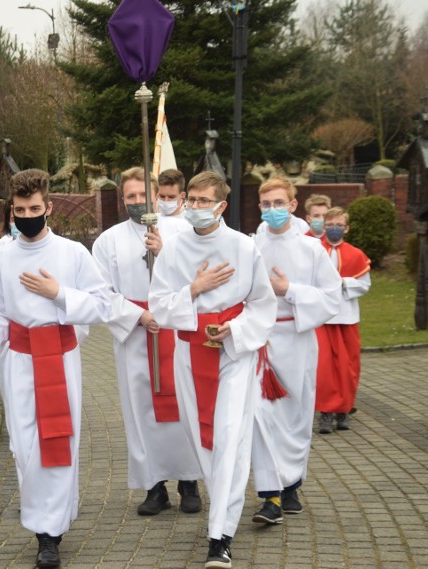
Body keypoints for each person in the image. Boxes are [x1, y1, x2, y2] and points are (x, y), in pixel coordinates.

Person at [0, 169, 110, 569]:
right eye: (19, 210)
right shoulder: (0, 258)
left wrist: (59, 294)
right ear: (11, 213)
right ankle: (42, 522)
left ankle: (50, 536)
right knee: (26, 446)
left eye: (34, 208)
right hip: (19, 361)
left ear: (49, 207)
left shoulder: (72, 254)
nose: (27, 215)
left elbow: (101, 304)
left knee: (59, 443)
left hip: (60, 359)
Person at [148, 171, 277, 569]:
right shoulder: (172, 250)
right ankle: (222, 508)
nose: (197, 208)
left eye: (206, 202)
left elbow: (262, 303)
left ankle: (219, 537)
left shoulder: (244, 247)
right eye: (193, 200)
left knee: (229, 440)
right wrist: (194, 289)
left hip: (233, 355)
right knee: (204, 443)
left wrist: (235, 329)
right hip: (189, 355)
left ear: (222, 206)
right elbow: (160, 304)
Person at [91, 167, 201, 517]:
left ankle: (189, 482)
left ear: (156, 195)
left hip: (175, 332)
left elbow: (197, 279)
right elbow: (100, 293)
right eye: (131, 197)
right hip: (135, 334)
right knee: (140, 410)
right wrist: (139, 316)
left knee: (183, 405)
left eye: (143, 195)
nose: (138, 202)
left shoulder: (183, 231)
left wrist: (165, 251)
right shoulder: (108, 241)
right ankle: (155, 486)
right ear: (123, 199)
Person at [250, 176, 341, 526]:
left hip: (298, 338)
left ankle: (291, 486)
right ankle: (270, 495)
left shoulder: (311, 249)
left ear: (292, 204)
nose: (271, 210)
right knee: (262, 418)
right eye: (265, 205)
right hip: (261, 342)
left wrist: (290, 290)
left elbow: (331, 298)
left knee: (296, 418)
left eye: (278, 204)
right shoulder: (250, 245)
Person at [315, 207, 372, 434]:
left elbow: (365, 284)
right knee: (324, 368)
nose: (334, 229)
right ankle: (326, 413)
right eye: (329, 225)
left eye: (339, 225)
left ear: (346, 228)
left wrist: (343, 284)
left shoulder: (356, 254)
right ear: (324, 226)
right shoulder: (314, 250)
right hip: (321, 318)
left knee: (348, 366)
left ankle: (344, 410)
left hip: (347, 317)